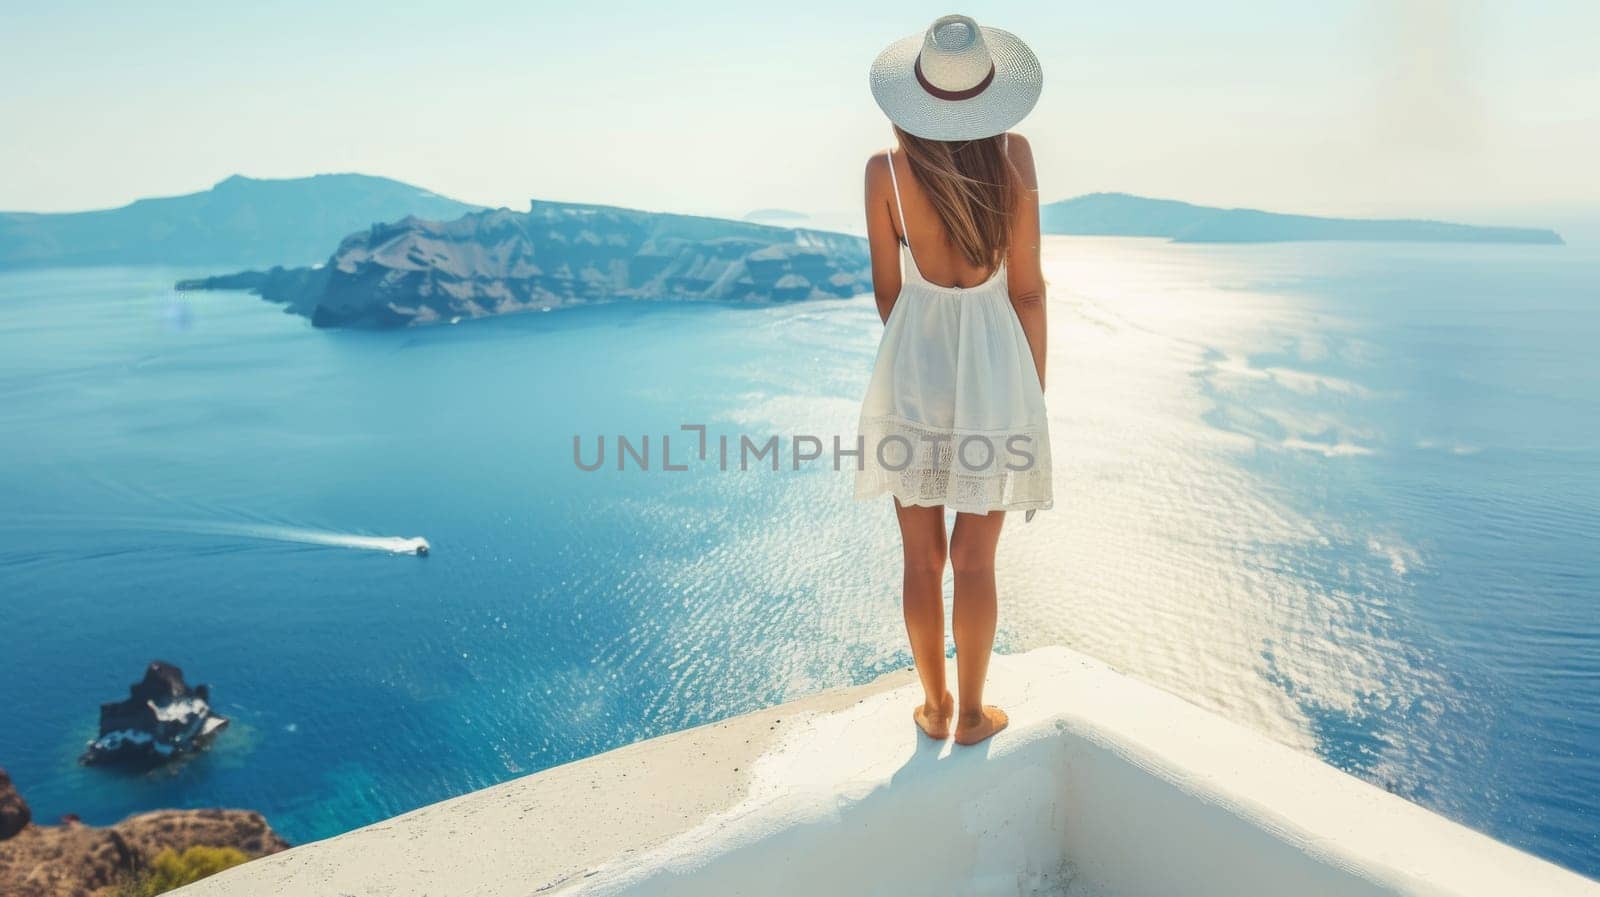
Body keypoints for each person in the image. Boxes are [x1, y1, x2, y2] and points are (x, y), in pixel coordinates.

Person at [855, 15, 1053, 746]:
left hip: (913, 372)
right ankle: (973, 713)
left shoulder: (885, 173)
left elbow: (887, 291)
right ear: (992, 95)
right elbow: (1027, 291)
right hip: (998, 374)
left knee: (920, 557)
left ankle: (933, 706)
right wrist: (1028, 392)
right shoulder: (1016, 159)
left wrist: (920, 358)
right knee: (975, 558)